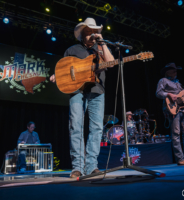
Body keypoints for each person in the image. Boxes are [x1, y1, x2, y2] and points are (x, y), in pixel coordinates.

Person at [50, 18, 114, 178]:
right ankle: (77, 167)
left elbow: (111, 63)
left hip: (97, 91)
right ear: (82, 34)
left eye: (94, 31)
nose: (92, 34)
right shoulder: (72, 50)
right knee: (76, 127)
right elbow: (64, 69)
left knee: (97, 128)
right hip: (77, 91)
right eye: (88, 31)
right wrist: (58, 76)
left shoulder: (99, 49)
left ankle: (92, 166)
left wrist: (103, 43)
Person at [156, 63, 184, 165]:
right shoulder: (163, 81)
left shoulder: (179, 83)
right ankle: (180, 159)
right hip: (172, 110)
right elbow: (158, 93)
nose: (175, 72)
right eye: (173, 70)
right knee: (176, 134)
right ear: (167, 72)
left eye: (176, 70)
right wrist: (169, 94)